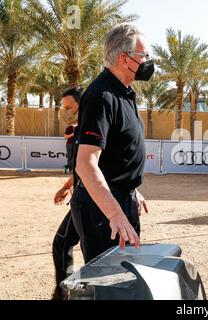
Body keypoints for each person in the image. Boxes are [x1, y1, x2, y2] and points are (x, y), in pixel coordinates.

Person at [71, 24, 152, 263]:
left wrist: (130, 189)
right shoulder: (101, 96)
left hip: (121, 200)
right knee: (107, 283)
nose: (149, 61)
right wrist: (115, 213)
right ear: (124, 59)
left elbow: (118, 150)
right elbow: (85, 163)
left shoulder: (123, 92)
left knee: (127, 278)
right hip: (102, 211)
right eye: (144, 55)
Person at [51, 87, 83, 300]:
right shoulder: (75, 131)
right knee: (62, 244)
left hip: (92, 200)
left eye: (70, 107)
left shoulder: (92, 130)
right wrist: (67, 186)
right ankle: (65, 293)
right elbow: (81, 168)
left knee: (63, 244)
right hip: (83, 196)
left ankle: (65, 295)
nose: (66, 112)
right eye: (64, 108)